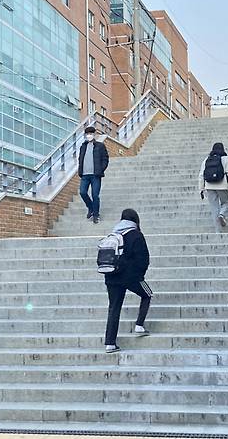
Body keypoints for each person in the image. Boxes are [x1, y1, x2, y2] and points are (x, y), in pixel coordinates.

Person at [104, 209, 152, 353]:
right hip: (131, 277)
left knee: (114, 307)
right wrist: (139, 276)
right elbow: (144, 259)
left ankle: (110, 343)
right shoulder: (136, 235)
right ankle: (139, 325)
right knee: (147, 295)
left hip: (112, 276)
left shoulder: (114, 234)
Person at [78, 126, 109, 224]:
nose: (89, 136)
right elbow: (80, 159)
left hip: (95, 175)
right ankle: (91, 208)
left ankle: (96, 215)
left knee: (95, 195)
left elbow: (105, 158)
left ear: (94, 134)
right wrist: (80, 170)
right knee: (83, 192)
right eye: (87, 134)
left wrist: (101, 169)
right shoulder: (83, 146)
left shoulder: (100, 145)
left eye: (91, 134)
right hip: (85, 175)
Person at [199, 142, 228, 232]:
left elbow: (201, 175)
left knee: (214, 208)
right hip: (222, 185)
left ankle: (218, 231)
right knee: (226, 203)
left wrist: (201, 189)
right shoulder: (226, 159)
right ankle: (222, 214)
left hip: (209, 186)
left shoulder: (207, 159)